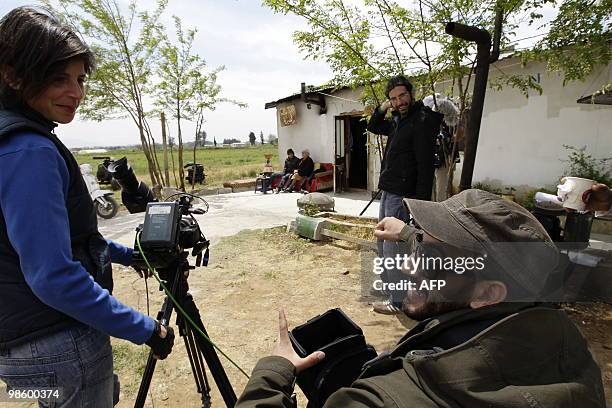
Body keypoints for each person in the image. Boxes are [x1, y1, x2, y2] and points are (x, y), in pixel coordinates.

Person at [235, 189, 605, 407]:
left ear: (487, 294)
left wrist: (273, 372)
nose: (410, 267)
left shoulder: (384, 399)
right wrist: (413, 234)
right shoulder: (568, 349)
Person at [0, 7, 174, 406]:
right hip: (59, 347)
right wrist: (146, 329)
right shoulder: (30, 150)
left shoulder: (11, 139)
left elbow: (53, 242)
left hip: (24, 350)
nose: (76, 93)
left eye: (79, 79)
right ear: (13, 74)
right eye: (59, 78)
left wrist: (128, 256)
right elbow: (53, 275)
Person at [367, 75, 443, 314]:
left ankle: (398, 300)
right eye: (393, 99)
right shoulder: (400, 120)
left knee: (395, 248)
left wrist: (418, 206)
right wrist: (384, 107)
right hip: (389, 191)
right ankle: (389, 286)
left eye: (402, 96)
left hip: (404, 196)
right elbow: (373, 126)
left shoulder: (421, 120)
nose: (399, 101)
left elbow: (425, 166)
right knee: (382, 240)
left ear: (411, 93)